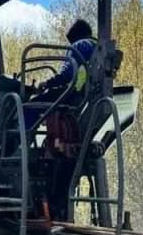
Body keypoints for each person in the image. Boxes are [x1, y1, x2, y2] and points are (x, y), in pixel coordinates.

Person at [30, 18, 99, 220]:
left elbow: (68, 73)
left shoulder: (80, 45)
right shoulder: (96, 47)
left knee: (28, 107)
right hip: (79, 98)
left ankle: (18, 143)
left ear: (75, 36)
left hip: (69, 96)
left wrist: (47, 84)